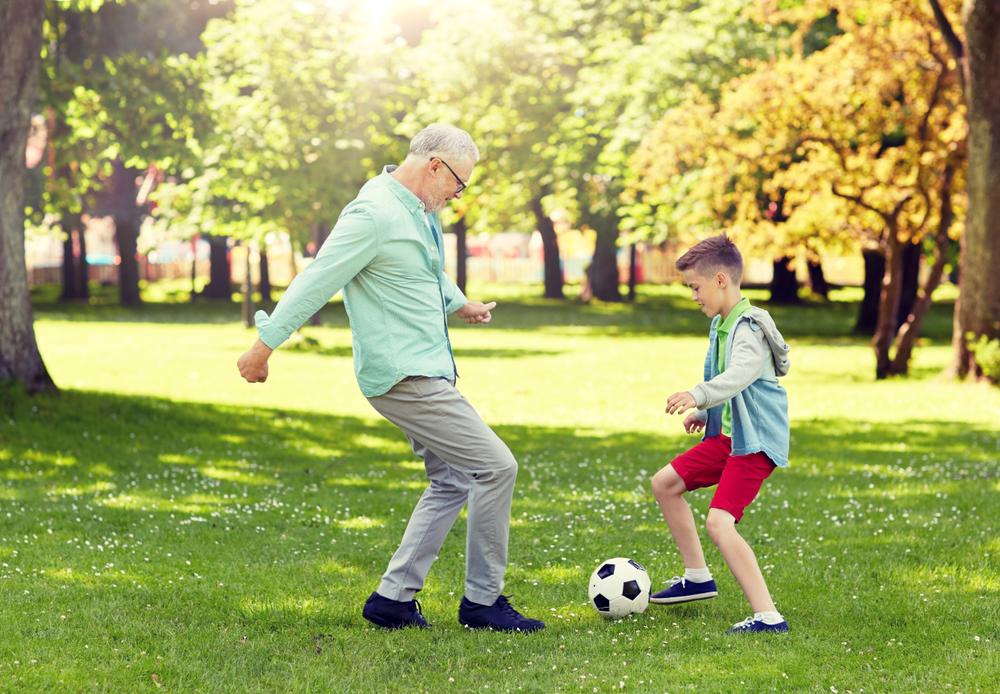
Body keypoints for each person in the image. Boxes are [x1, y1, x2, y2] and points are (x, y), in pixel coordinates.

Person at [237, 124, 544, 633]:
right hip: (405, 375)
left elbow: (423, 270)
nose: (456, 195)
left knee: (450, 480)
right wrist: (263, 346)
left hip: (426, 369)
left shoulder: (415, 213)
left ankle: (392, 600)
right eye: (458, 184)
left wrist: (458, 302)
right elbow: (318, 279)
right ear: (433, 166)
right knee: (496, 467)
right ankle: (483, 603)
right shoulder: (373, 213)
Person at [649, 234, 791, 634]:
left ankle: (768, 616)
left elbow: (739, 375)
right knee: (665, 483)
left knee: (719, 522)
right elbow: (725, 383)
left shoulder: (747, 328)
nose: (694, 295)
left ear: (721, 280)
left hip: (755, 443)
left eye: (696, 286)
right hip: (730, 439)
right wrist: (706, 410)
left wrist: (696, 393)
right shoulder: (721, 324)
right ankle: (697, 578)